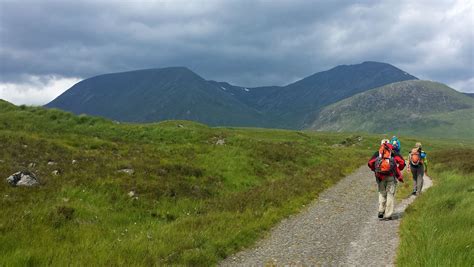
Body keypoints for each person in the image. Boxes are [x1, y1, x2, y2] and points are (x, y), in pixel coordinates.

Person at [368, 139, 405, 220]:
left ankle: (381, 210)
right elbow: (402, 162)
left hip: (380, 177)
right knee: (390, 194)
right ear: (389, 144)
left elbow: (370, 163)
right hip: (391, 176)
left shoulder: (378, 153)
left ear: (381, 144)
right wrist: (398, 169)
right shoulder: (393, 153)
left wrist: (375, 169)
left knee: (382, 193)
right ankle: (388, 215)